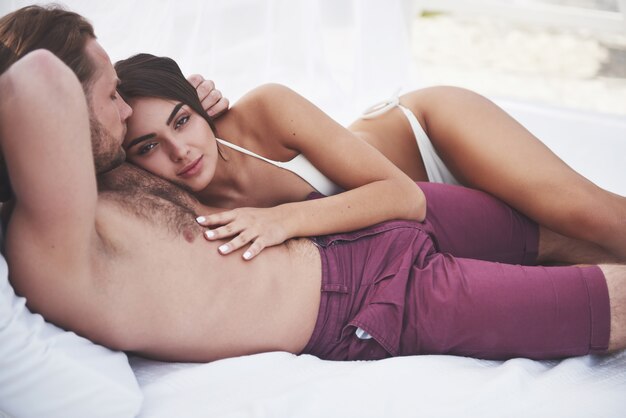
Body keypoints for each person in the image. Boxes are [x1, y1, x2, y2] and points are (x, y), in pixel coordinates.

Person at [0, 5, 625, 364]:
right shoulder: (63, 224)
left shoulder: (118, 164)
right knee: (605, 300)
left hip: (388, 192)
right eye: (109, 94)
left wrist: (182, 99)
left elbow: (93, 104)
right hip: (366, 296)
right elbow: (34, 84)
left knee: (594, 226)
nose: (121, 107)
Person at [115, 55, 626, 262]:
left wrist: (283, 219)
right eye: (149, 146)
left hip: (431, 137)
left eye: (181, 120)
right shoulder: (168, 204)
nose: (179, 151)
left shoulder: (265, 110)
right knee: (582, 258)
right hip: (440, 227)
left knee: (585, 213)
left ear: (200, 108)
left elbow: (402, 194)